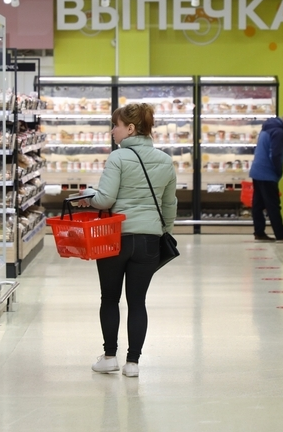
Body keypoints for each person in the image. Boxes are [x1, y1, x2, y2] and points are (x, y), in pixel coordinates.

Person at [77, 103, 177, 378]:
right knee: (138, 301)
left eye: (116, 125)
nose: (112, 131)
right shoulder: (165, 160)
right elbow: (170, 205)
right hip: (149, 240)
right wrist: (162, 231)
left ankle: (109, 357)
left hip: (115, 238)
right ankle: (132, 363)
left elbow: (105, 199)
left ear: (130, 128)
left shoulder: (118, 157)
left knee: (110, 298)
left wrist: (88, 197)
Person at [248, 111, 283, 242]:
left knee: (258, 205)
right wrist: (278, 172)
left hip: (257, 171)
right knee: (273, 205)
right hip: (267, 173)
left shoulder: (268, 127)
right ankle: (281, 234)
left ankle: (259, 232)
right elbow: (276, 155)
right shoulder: (278, 132)